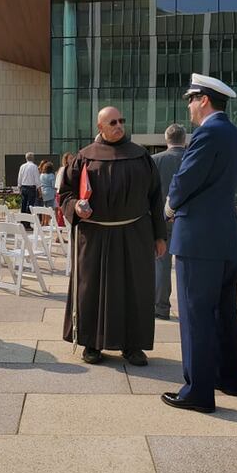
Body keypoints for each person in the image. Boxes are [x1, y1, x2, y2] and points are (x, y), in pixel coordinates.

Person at [161, 74, 237, 414]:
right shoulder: (235, 136)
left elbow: (186, 180)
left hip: (198, 239)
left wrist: (169, 206)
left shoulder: (207, 134)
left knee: (196, 315)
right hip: (225, 237)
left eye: (192, 100)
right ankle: (227, 378)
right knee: (224, 313)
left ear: (205, 100)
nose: (190, 107)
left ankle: (198, 391)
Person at [59, 106, 165, 367]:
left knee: (134, 289)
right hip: (94, 234)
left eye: (121, 120)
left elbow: (155, 199)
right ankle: (92, 344)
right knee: (91, 288)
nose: (119, 125)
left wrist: (159, 236)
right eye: (112, 122)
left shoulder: (141, 157)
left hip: (134, 234)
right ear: (100, 127)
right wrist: (76, 207)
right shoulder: (84, 158)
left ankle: (133, 346)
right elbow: (65, 194)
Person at [151, 123, 186, 321]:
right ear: (184, 139)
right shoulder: (193, 159)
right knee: (189, 268)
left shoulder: (155, 161)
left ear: (166, 139)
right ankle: (191, 310)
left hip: (160, 221)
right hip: (188, 221)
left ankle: (161, 307)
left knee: (161, 266)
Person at [54, 152, 73, 227]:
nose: (72, 160)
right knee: (61, 213)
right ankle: (60, 234)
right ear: (66, 160)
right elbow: (58, 184)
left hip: (64, 193)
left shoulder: (65, 169)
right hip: (62, 193)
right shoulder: (63, 169)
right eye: (70, 158)